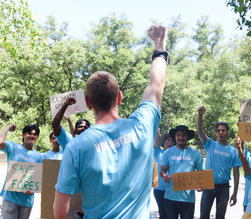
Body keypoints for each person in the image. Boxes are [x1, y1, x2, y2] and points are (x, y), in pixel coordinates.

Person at [53, 25, 168, 219]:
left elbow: (61, 212)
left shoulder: (76, 147)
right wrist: (160, 44)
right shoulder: (143, 126)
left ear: (88, 103)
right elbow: (156, 85)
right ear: (120, 97)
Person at [197, 106, 242, 219]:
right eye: (218, 131)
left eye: (223, 130)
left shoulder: (233, 151)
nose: (221, 132)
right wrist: (200, 115)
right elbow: (200, 131)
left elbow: (236, 173)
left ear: (227, 132)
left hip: (224, 188)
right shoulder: (210, 144)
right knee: (203, 216)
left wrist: (235, 193)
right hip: (208, 185)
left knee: (220, 217)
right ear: (216, 133)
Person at [0, 124, 43, 219]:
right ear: (23, 135)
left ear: (37, 137)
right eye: (29, 133)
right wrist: (7, 128)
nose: (32, 136)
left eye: (35, 134)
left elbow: (40, 177)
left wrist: (33, 189)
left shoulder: (39, 156)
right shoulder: (13, 147)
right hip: (11, 199)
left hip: (27, 202)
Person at [160, 125, 204, 219]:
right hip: (170, 197)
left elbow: (201, 174)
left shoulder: (196, 153)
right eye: (178, 135)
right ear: (175, 137)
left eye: (183, 135)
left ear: (187, 136)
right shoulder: (167, 152)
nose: (181, 138)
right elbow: (163, 170)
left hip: (188, 199)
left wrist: (201, 185)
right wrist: (164, 176)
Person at [153, 131, 176, 219]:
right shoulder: (158, 152)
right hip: (159, 190)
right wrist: (156, 124)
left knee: (172, 215)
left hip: (172, 190)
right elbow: (156, 137)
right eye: (168, 140)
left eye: (172, 141)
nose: (170, 143)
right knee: (163, 214)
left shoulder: (175, 155)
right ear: (164, 141)